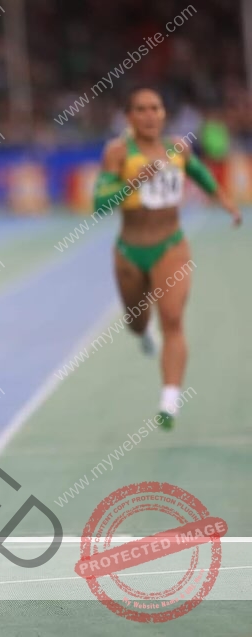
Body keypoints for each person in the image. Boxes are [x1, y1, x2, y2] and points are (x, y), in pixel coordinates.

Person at [94, 87, 241, 430]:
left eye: (155, 108)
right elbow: (99, 205)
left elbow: (199, 173)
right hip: (130, 251)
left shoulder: (178, 148)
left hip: (171, 247)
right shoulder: (118, 153)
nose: (149, 115)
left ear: (164, 114)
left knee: (173, 319)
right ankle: (143, 331)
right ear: (129, 117)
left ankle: (169, 400)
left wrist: (224, 200)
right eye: (141, 109)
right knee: (135, 322)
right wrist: (131, 183)